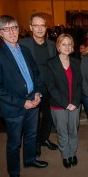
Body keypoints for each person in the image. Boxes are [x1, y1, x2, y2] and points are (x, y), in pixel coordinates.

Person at [0, 15, 48, 177]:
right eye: (6, 29)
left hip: (33, 101)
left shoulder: (25, 50)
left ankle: (30, 160)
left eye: (14, 27)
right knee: (14, 143)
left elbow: (36, 74)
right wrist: (22, 102)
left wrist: (37, 93)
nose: (12, 32)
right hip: (14, 107)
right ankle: (14, 173)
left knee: (31, 136)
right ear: (0, 32)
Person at [19, 13, 58, 157]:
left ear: (46, 27)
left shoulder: (52, 45)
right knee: (33, 119)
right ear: (31, 27)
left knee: (48, 117)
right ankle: (35, 143)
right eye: (36, 25)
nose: (40, 29)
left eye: (42, 25)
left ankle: (44, 139)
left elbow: (55, 66)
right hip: (32, 89)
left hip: (49, 87)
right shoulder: (23, 45)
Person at [45, 34, 82, 168]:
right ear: (58, 46)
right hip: (58, 106)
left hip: (75, 105)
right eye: (64, 44)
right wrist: (66, 104)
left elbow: (79, 84)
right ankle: (65, 155)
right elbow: (51, 87)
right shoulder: (51, 63)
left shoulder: (76, 62)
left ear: (72, 47)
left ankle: (72, 153)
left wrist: (75, 102)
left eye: (69, 44)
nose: (67, 47)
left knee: (73, 130)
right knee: (62, 132)